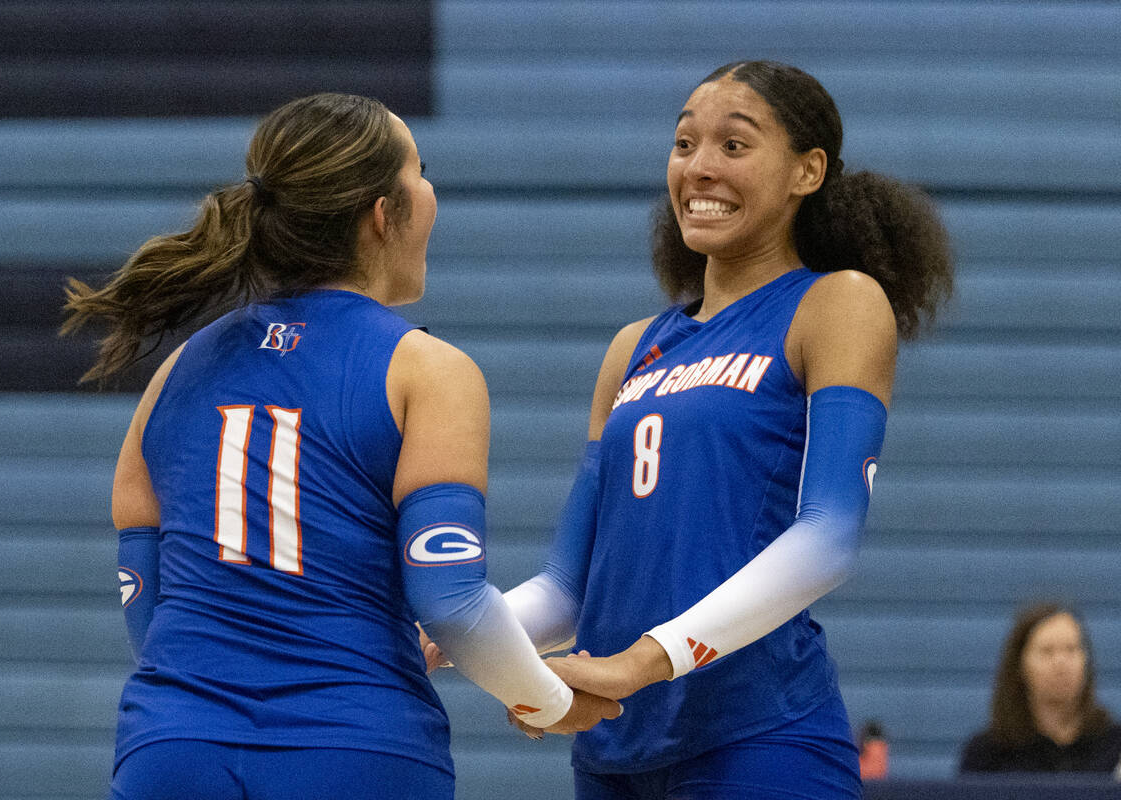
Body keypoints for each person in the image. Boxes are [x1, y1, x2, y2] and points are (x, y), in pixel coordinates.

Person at [62, 92, 618, 800]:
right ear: (384, 214)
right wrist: (548, 700)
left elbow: (145, 598)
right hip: (354, 750)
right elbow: (449, 603)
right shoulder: (426, 370)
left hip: (171, 748)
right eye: (422, 170)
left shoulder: (178, 370)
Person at [497, 60, 955, 798]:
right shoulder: (633, 346)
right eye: (684, 145)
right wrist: (448, 636)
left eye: (734, 146)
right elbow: (568, 590)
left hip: (761, 740)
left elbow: (828, 539)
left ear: (808, 171)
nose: (699, 169)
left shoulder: (835, 303)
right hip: (613, 752)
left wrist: (637, 662)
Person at [960, 602, 1121, 775]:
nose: (1061, 663)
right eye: (1047, 651)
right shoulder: (988, 754)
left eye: (1071, 649)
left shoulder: (1114, 746)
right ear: (1020, 665)